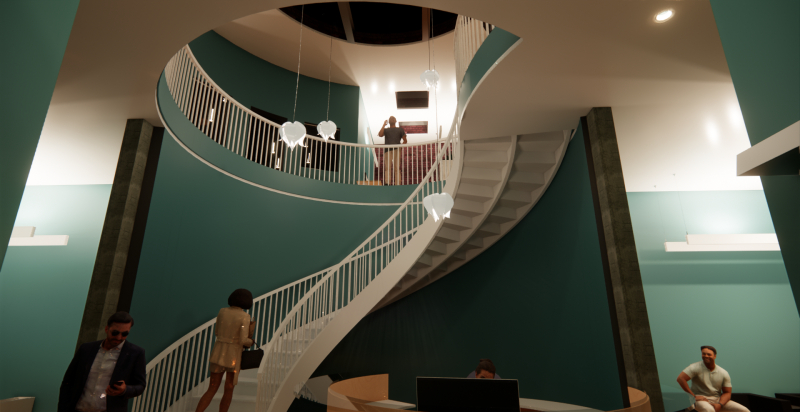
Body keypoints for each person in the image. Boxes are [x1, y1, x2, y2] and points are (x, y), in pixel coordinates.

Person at [59, 312, 146, 412]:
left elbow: (140, 385)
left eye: (124, 334)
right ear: (106, 329)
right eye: (115, 332)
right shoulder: (86, 349)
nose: (119, 337)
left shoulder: (135, 353)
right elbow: (68, 382)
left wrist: (124, 390)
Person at [195, 289, 256, 412]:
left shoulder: (222, 311)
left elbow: (217, 332)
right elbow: (244, 340)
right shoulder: (245, 316)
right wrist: (251, 341)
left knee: (212, 388)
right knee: (228, 388)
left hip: (218, 352)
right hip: (233, 355)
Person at [677, 346, 749, 412]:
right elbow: (680, 379)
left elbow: (727, 392)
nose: (705, 356)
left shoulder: (723, 372)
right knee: (709, 410)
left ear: (715, 356)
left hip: (717, 399)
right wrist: (693, 396)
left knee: (744, 410)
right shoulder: (694, 367)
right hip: (701, 399)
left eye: (709, 354)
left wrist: (720, 404)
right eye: (703, 354)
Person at [378, 116, 407, 185]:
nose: (391, 119)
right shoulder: (386, 130)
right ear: (389, 121)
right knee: (387, 167)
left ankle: (397, 184)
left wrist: (401, 146)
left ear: (396, 120)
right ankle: (387, 183)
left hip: (397, 149)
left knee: (397, 167)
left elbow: (405, 140)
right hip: (387, 150)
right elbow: (380, 134)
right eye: (390, 118)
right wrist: (383, 125)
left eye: (393, 118)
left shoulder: (400, 129)